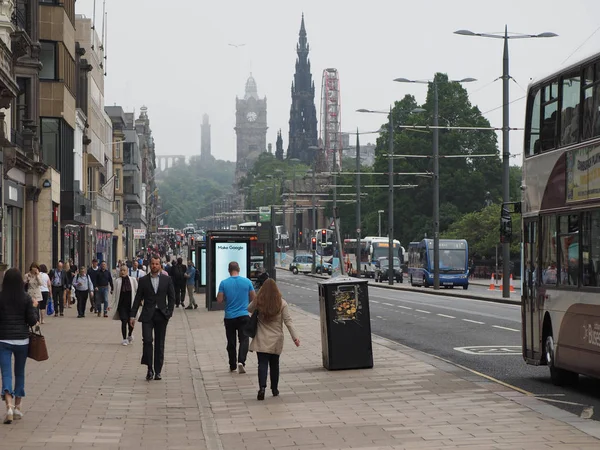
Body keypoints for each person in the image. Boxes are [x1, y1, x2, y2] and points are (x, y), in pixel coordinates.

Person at [248, 279, 300, 400]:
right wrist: (295, 337)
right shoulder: (282, 303)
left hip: (261, 337)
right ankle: (274, 388)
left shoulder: (259, 302)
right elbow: (288, 322)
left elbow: (249, 309)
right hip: (276, 338)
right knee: (274, 364)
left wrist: (257, 298)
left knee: (262, 363)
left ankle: (262, 388)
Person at [0, 268, 39, 424]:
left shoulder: (1, 298)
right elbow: (32, 321)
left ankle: (8, 405)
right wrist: (34, 307)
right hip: (22, 340)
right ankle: (17, 407)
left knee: (6, 373)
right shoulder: (26, 298)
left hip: (3, 340)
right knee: (20, 372)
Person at [130, 255, 175, 381]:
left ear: (160, 265)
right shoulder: (143, 280)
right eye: (153, 264)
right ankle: (149, 368)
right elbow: (138, 298)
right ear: (150, 265)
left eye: (157, 264)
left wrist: (169, 312)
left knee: (160, 344)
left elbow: (172, 297)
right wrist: (132, 315)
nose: (155, 266)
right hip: (147, 315)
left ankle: (158, 371)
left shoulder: (167, 280)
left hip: (161, 315)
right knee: (148, 341)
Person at [216, 261, 256, 374]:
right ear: (238, 269)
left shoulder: (223, 283)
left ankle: (232, 364)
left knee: (231, 341)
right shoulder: (247, 282)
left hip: (229, 317)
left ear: (229, 270)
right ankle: (241, 361)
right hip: (243, 315)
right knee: (244, 339)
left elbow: (219, 300)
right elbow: (254, 298)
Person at [112, 265, 138, 346]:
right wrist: (111, 304)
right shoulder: (117, 281)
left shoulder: (132, 280)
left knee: (131, 322)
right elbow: (115, 294)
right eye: (121, 270)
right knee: (124, 321)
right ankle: (124, 339)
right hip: (122, 305)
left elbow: (137, 291)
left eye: (124, 270)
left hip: (131, 305)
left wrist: (140, 301)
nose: (122, 272)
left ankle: (130, 334)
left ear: (127, 271)